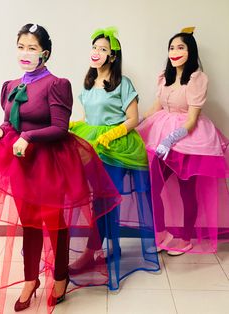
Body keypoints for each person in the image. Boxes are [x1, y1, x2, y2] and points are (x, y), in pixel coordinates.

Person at [0, 23, 121, 313]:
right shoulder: (11, 86)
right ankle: (30, 281)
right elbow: (10, 122)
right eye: (21, 47)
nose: (25, 53)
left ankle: (60, 277)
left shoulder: (57, 84)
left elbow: (60, 128)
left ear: (45, 53)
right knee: (28, 223)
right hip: (22, 163)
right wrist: (3, 130)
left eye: (32, 48)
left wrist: (28, 136)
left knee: (55, 224)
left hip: (49, 163)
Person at [69, 27, 159, 290]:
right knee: (97, 198)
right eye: (94, 47)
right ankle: (108, 247)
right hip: (94, 145)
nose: (96, 52)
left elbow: (132, 118)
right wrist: (75, 125)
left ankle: (92, 251)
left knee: (108, 199)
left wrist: (114, 133)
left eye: (103, 49)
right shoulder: (87, 84)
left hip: (117, 147)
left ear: (112, 56)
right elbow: (88, 119)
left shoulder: (123, 83)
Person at [137, 27, 229, 256]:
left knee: (187, 191)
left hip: (188, 139)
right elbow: (155, 108)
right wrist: (132, 123)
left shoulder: (197, 78)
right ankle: (161, 234)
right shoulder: (164, 77)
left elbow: (191, 120)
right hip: (161, 133)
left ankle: (186, 238)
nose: (175, 51)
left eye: (181, 47)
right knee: (152, 186)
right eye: (171, 47)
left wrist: (169, 140)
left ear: (191, 51)